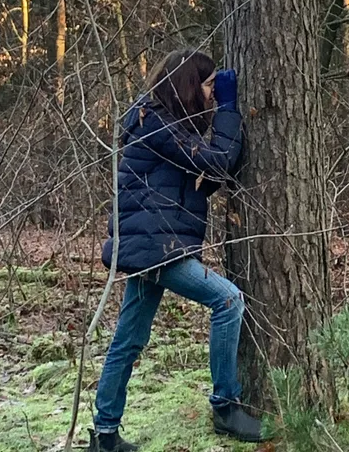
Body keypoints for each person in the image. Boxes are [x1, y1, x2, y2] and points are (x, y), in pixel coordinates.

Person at [87, 49, 263, 452]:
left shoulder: (156, 121)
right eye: (206, 86)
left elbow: (198, 175)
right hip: (157, 247)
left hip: (152, 243)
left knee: (128, 340)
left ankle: (105, 434)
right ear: (186, 86)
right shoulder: (157, 125)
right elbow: (216, 161)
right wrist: (231, 109)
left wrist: (209, 176)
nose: (211, 96)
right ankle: (225, 405)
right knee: (229, 301)